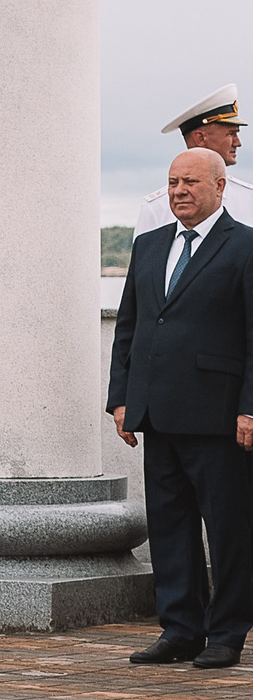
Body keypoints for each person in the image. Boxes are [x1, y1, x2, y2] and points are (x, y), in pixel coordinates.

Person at [110, 148, 253, 668]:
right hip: (157, 412)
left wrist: (250, 408)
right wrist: (122, 399)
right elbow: (130, 326)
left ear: (219, 186)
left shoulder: (245, 246)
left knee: (228, 528)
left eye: (190, 182)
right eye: (172, 182)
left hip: (219, 417)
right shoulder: (148, 246)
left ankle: (227, 633)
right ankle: (180, 629)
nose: (178, 192)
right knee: (169, 526)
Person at [137, 87, 253, 232]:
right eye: (231, 134)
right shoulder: (157, 209)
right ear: (201, 138)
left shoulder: (249, 200)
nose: (237, 143)